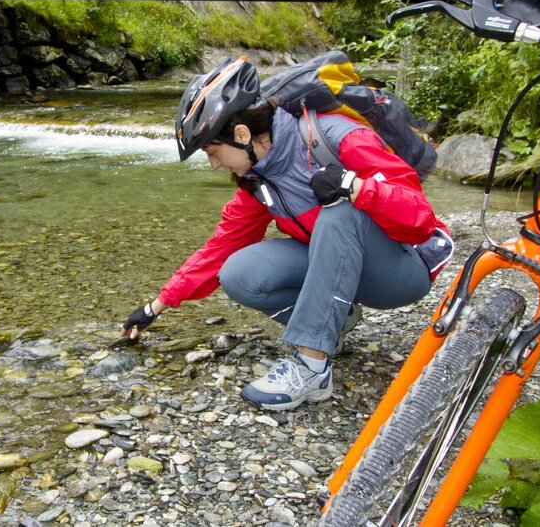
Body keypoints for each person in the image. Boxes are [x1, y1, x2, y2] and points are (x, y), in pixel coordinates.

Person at [120, 56, 454, 412]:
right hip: (342, 269)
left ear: (242, 134)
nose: (214, 165)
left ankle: (311, 369)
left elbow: (420, 218)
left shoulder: (339, 137)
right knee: (238, 272)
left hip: (401, 270)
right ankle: (334, 326)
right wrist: (155, 306)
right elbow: (218, 250)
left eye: (213, 152)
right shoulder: (258, 181)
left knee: (339, 211)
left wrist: (355, 187)